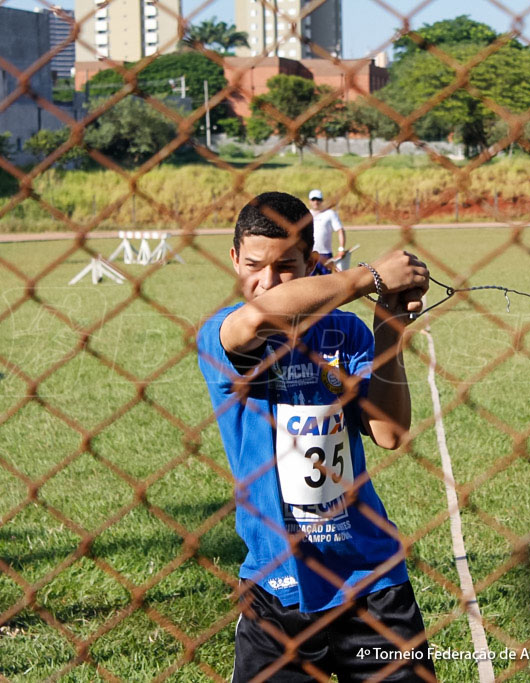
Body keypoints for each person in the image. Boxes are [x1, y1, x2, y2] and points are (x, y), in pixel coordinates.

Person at [197, 191, 435, 682]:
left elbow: (389, 433)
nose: (266, 281)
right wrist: (368, 276)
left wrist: (388, 326)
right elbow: (262, 316)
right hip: (275, 586)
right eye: (255, 265)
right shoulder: (224, 332)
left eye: (287, 266)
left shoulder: (345, 334)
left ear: (312, 262)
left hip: (370, 578)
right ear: (235, 259)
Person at [307, 188, 347, 273]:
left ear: (322, 200)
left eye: (318, 199)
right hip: (310, 254)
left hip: (325, 254)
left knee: (327, 282)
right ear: (310, 201)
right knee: (308, 282)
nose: (315, 202)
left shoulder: (330, 214)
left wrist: (341, 249)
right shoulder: (306, 215)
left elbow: (340, 230)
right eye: (313, 199)